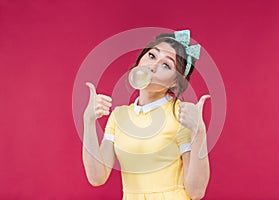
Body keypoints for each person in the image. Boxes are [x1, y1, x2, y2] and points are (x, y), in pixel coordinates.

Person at [82, 29, 211, 200]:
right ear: (140, 60)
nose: (153, 66)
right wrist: (88, 121)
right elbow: (97, 177)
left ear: (174, 81)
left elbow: (196, 192)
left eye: (166, 65)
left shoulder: (181, 115)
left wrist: (199, 132)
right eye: (152, 56)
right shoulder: (119, 116)